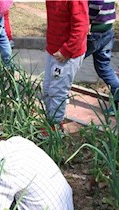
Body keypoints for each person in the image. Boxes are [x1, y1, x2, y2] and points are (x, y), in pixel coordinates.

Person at [42, 1, 89, 135]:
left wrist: (67, 50)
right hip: (54, 50)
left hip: (67, 54)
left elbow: (81, 26)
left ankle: (55, 128)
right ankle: (51, 120)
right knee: (47, 89)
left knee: (57, 91)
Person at [85, 0, 118, 116]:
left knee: (71, 61)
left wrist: (86, 21)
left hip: (94, 32)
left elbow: (96, 3)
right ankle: (117, 98)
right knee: (104, 67)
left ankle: (60, 97)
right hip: (107, 29)